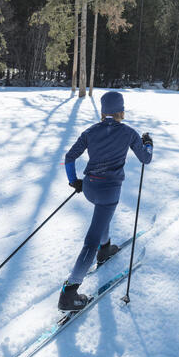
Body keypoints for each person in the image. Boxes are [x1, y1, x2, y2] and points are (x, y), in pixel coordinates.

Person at [58, 91, 153, 311]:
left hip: (90, 187)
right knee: (90, 239)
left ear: (103, 112)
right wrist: (147, 143)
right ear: (120, 111)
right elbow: (145, 159)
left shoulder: (90, 131)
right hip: (109, 191)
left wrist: (75, 181)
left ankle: (105, 248)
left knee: (102, 217)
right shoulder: (129, 133)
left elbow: (70, 157)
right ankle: (69, 293)